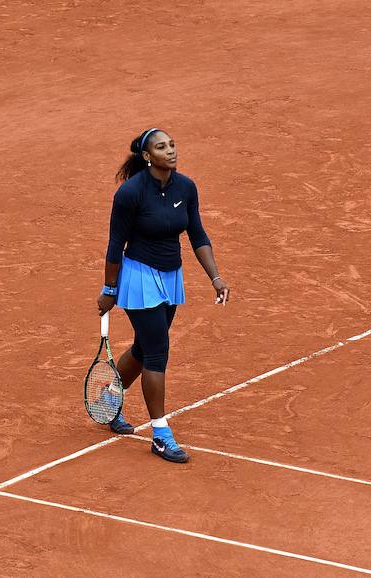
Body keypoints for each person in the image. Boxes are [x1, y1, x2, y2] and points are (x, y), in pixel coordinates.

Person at [96, 128, 230, 463]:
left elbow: (197, 233)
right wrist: (109, 289)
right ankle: (160, 433)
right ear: (146, 156)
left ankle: (108, 398)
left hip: (171, 275)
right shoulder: (130, 194)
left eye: (171, 145)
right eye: (161, 147)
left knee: (144, 346)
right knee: (157, 351)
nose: (170, 151)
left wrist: (215, 276)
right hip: (139, 277)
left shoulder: (186, 187)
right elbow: (115, 245)